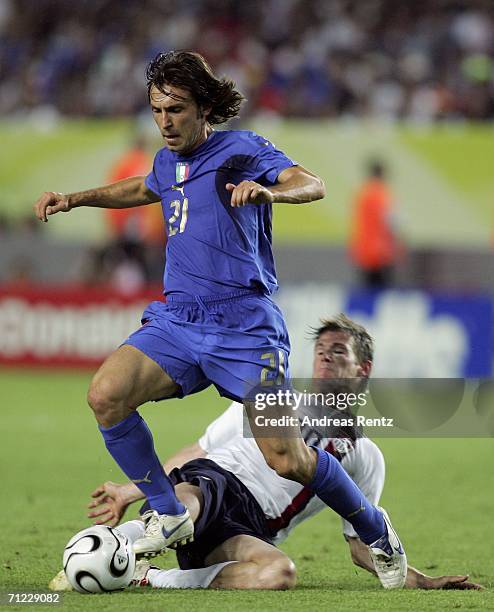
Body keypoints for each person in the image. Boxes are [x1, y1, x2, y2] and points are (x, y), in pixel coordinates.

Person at [33, 51, 403, 587]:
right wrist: (74, 199)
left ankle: (375, 529)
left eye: (176, 109)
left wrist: (269, 191)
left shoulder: (241, 149)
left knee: (289, 458)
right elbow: (142, 188)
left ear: (203, 108)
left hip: (245, 326)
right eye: (157, 109)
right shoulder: (167, 161)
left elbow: (313, 182)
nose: (164, 121)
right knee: (105, 394)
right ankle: (169, 510)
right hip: (180, 322)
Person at [49, 314, 481, 592]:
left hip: (248, 530)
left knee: (279, 574)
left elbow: (361, 546)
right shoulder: (274, 401)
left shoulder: (366, 457)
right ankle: (94, 554)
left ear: (363, 369)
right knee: (187, 503)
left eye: (339, 352)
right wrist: (131, 489)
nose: (326, 359)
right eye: (321, 352)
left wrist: (423, 582)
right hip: (216, 483)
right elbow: (198, 450)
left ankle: (150, 578)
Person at [349, 159, 402, 289]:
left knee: (367, 290)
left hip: (364, 250)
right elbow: (390, 222)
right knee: (382, 292)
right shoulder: (382, 194)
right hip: (381, 252)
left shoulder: (363, 194)